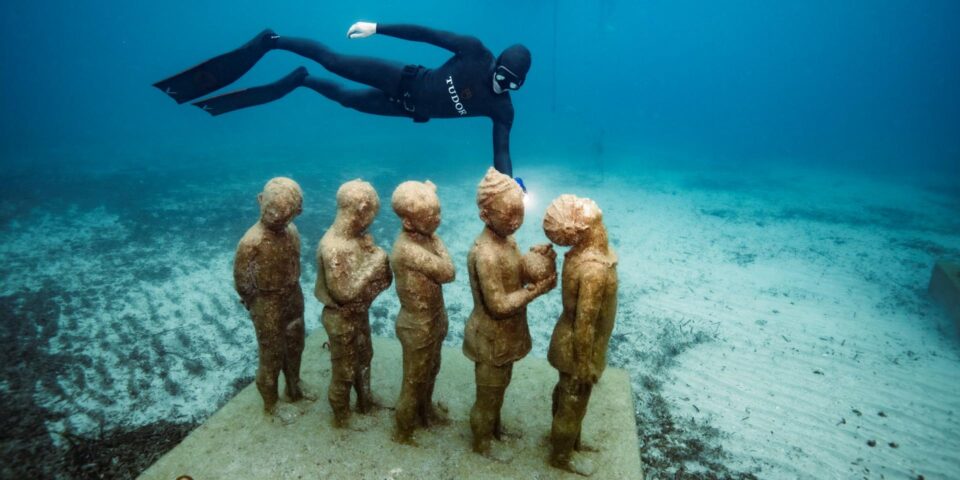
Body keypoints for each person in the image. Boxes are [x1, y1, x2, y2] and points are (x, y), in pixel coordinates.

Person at [153, 22, 531, 179]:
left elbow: (502, 153)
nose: (502, 87)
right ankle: (274, 42)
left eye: (512, 85)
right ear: (495, 63)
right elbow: (424, 34)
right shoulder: (474, 52)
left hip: (407, 109)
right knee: (334, 60)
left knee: (347, 101)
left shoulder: (502, 109)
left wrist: (510, 185)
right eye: (501, 78)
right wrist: (377, 28)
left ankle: (302, 80)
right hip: (401, 77)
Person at [463, 167, 556, 460]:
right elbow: (498, 305)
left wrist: (536, 259)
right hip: (490, 338)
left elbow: (517, 274)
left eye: (519, 213)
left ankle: (494, 430)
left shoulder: (507, 241)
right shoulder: (486, 254)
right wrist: (537, 290)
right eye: (508, 216)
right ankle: (482, 443)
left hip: (506, 337)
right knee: (488, 397)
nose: (516, 222)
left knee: (499, 390)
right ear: (485, 216)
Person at [542, 194, 618, 476]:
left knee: (569, 399)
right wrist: (584, 362)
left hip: (571, 341)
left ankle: (567, 442)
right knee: (572, 404)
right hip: (577, 347)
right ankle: (561, 456)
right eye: (578, 208)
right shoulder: (594, 270)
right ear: (579, 227)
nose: (583, 201)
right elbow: (584, 324)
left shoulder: (584, 256)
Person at [233, 177, 315, 423]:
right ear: (260, 200)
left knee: (296, 340)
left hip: (292, 293)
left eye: (284, 213)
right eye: (271, 210)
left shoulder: (292, 232)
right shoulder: (251, 242)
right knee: (271, 353)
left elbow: (295, 260)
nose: (275, 217)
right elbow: (241, 279)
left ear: (296, 213)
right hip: (266, 301)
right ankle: (271, 403)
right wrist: (254, 302)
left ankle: (294, 384)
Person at [314, 179, 393, 428]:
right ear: (361, 209)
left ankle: (365, 399)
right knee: (344, 371)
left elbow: (379, 282)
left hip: (359, 314)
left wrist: (379, 266)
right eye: (371, 215)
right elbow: (344, 292)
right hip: (340, 318)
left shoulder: (356, 241)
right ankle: (341, 415)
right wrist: (372, 266)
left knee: (364, 356)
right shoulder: (333, 248)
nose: (371, 222)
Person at [388, 180, 455, 445]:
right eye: (431, 217)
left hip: (433, 318)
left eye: (438, 213)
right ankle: (404, 430)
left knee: (432, 369)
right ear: (408, 223)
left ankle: (425, 412)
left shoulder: (425, 237)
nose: (438, 220)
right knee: (413, 381)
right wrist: (436, 239)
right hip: (416, 325)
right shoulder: (407, 250)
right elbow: (448, 272)